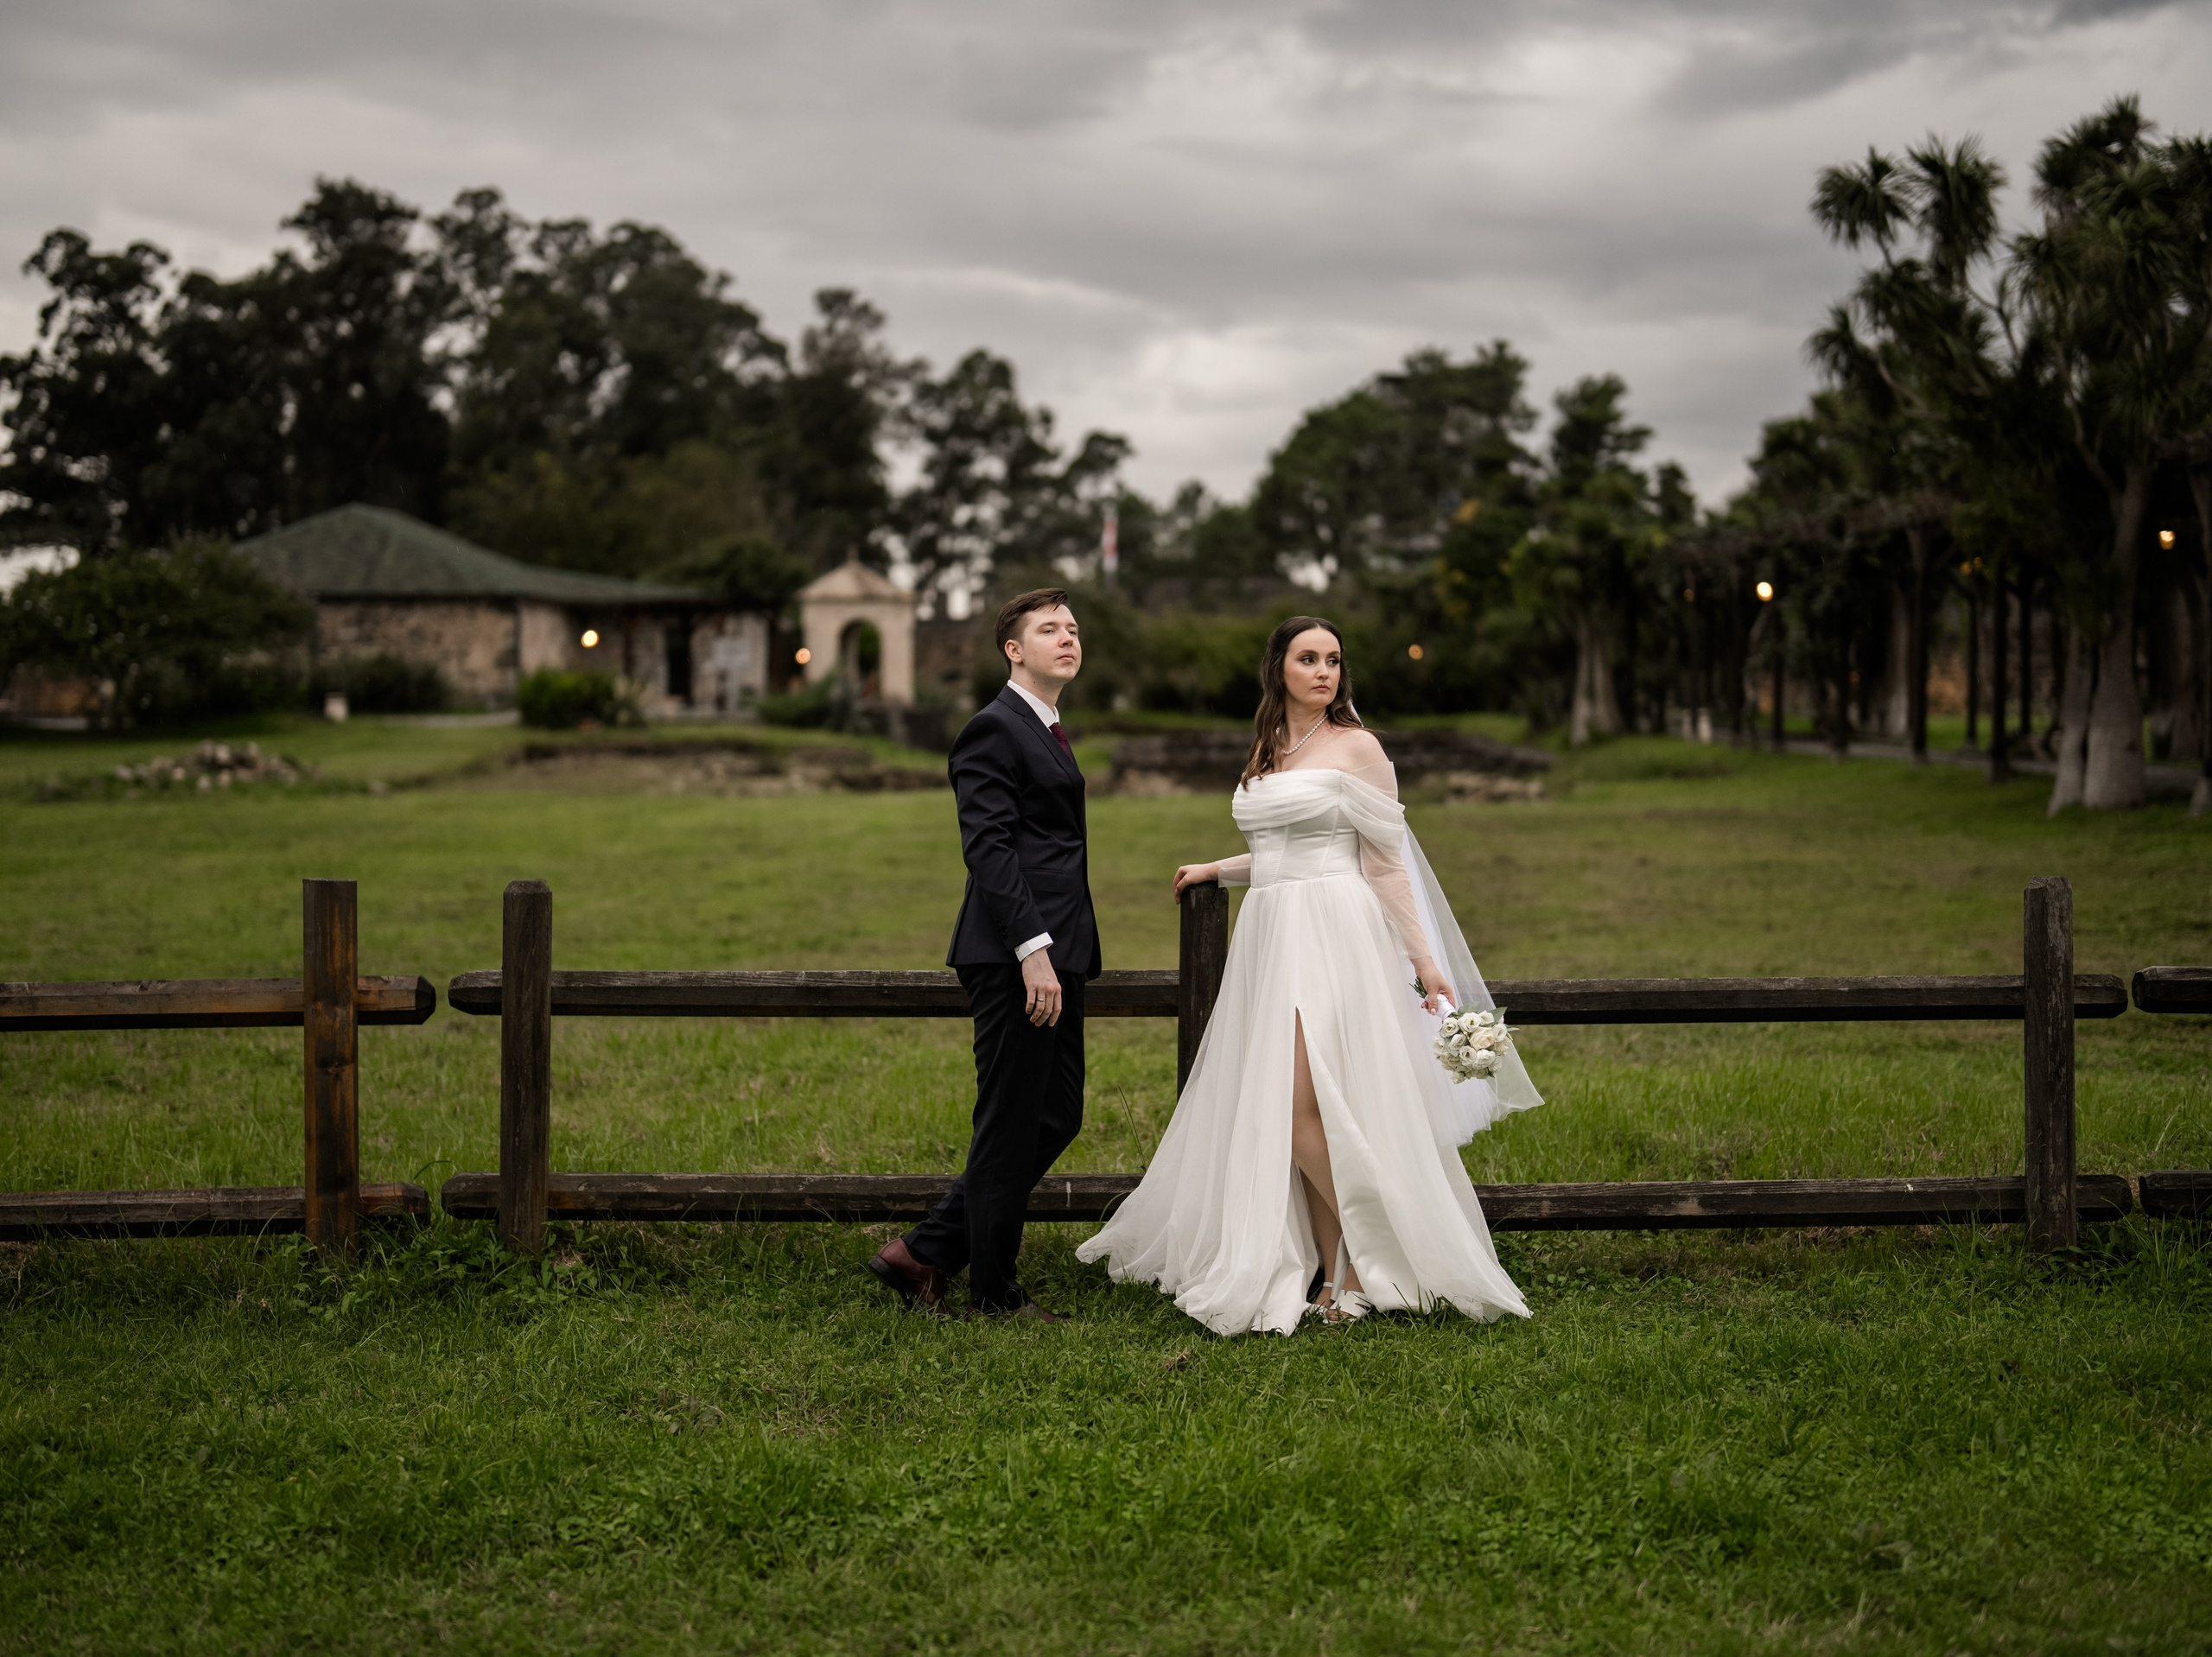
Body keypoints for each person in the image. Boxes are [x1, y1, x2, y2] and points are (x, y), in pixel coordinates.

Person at [1077, 617, 1542, 1335]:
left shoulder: (1359, 747)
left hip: (1333, 931)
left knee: (1298, 1112)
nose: (1324, 671)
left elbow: (1383, 862)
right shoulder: (1269, 746)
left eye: (1333, 660)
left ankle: (1391, 1240)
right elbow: (1279, 848)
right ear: (1279, 669)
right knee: (1304, 1111)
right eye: (1308, 658)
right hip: (1271, 934)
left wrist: (1424, 960)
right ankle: (1338, 1274)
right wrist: (1217, 868)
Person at [869, 588, 1099, 1322]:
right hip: (1015, 956)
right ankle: (995, 1294)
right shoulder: (993, 729)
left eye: (1072, 628)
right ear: (1013, 649)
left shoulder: (1046, 726)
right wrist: (1033, 951)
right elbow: (989, 848)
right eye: (1049, 629)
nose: (1067, 638)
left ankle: (924, 1252)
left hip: (1057, 951)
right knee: (1010, 1122)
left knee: (1056, 1115)